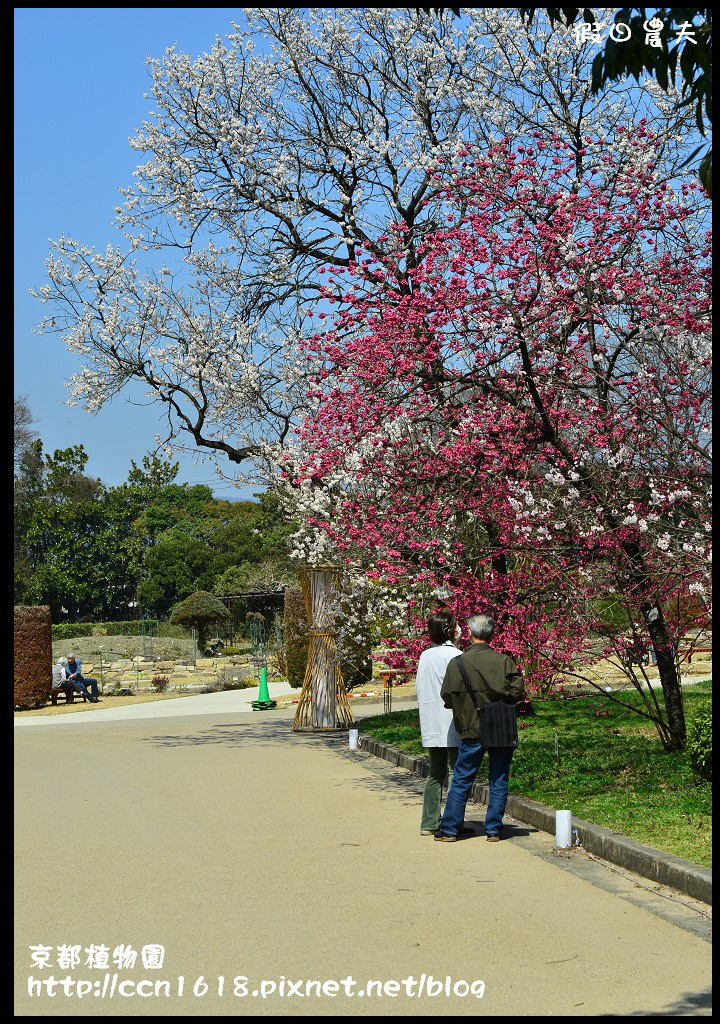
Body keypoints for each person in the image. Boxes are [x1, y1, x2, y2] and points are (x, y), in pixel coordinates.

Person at [435, 613, 525, 843]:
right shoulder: (505, 661)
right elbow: (516, 692)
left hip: (470, 727)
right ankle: (493, 829)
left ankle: (450, 829)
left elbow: (446, 696)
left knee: (462, 778)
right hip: (500, 727)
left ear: (470, 633)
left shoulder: (457, 663)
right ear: (492, 633)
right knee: (499, 778)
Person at [415, 610, 462, 836]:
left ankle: (429, 822)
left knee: (435, 772)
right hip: (452, 720)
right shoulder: (455, 656)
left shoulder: (425, 656)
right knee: (455, 771)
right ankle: (452, 822)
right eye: (455, 625)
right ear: (449, 631)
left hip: (431, 720)